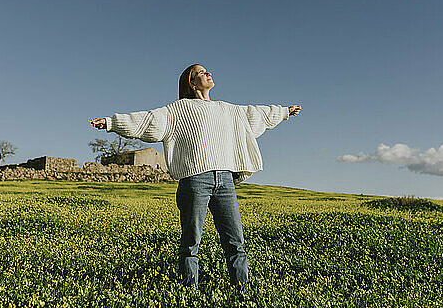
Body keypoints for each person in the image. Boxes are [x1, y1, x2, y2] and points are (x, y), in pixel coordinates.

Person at [91, 63, 301, 292]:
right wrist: (112, 122)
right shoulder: (177, 110)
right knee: (191, 241)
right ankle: (190, 291)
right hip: (195, 180)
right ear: (191, 83)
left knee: (235, 241)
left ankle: (243, 291)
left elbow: (256, 113)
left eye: (207, 71)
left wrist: (283, 112)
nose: (208, 73)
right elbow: (146, 120)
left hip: (225, 179)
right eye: (201, 72)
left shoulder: (228, 109)